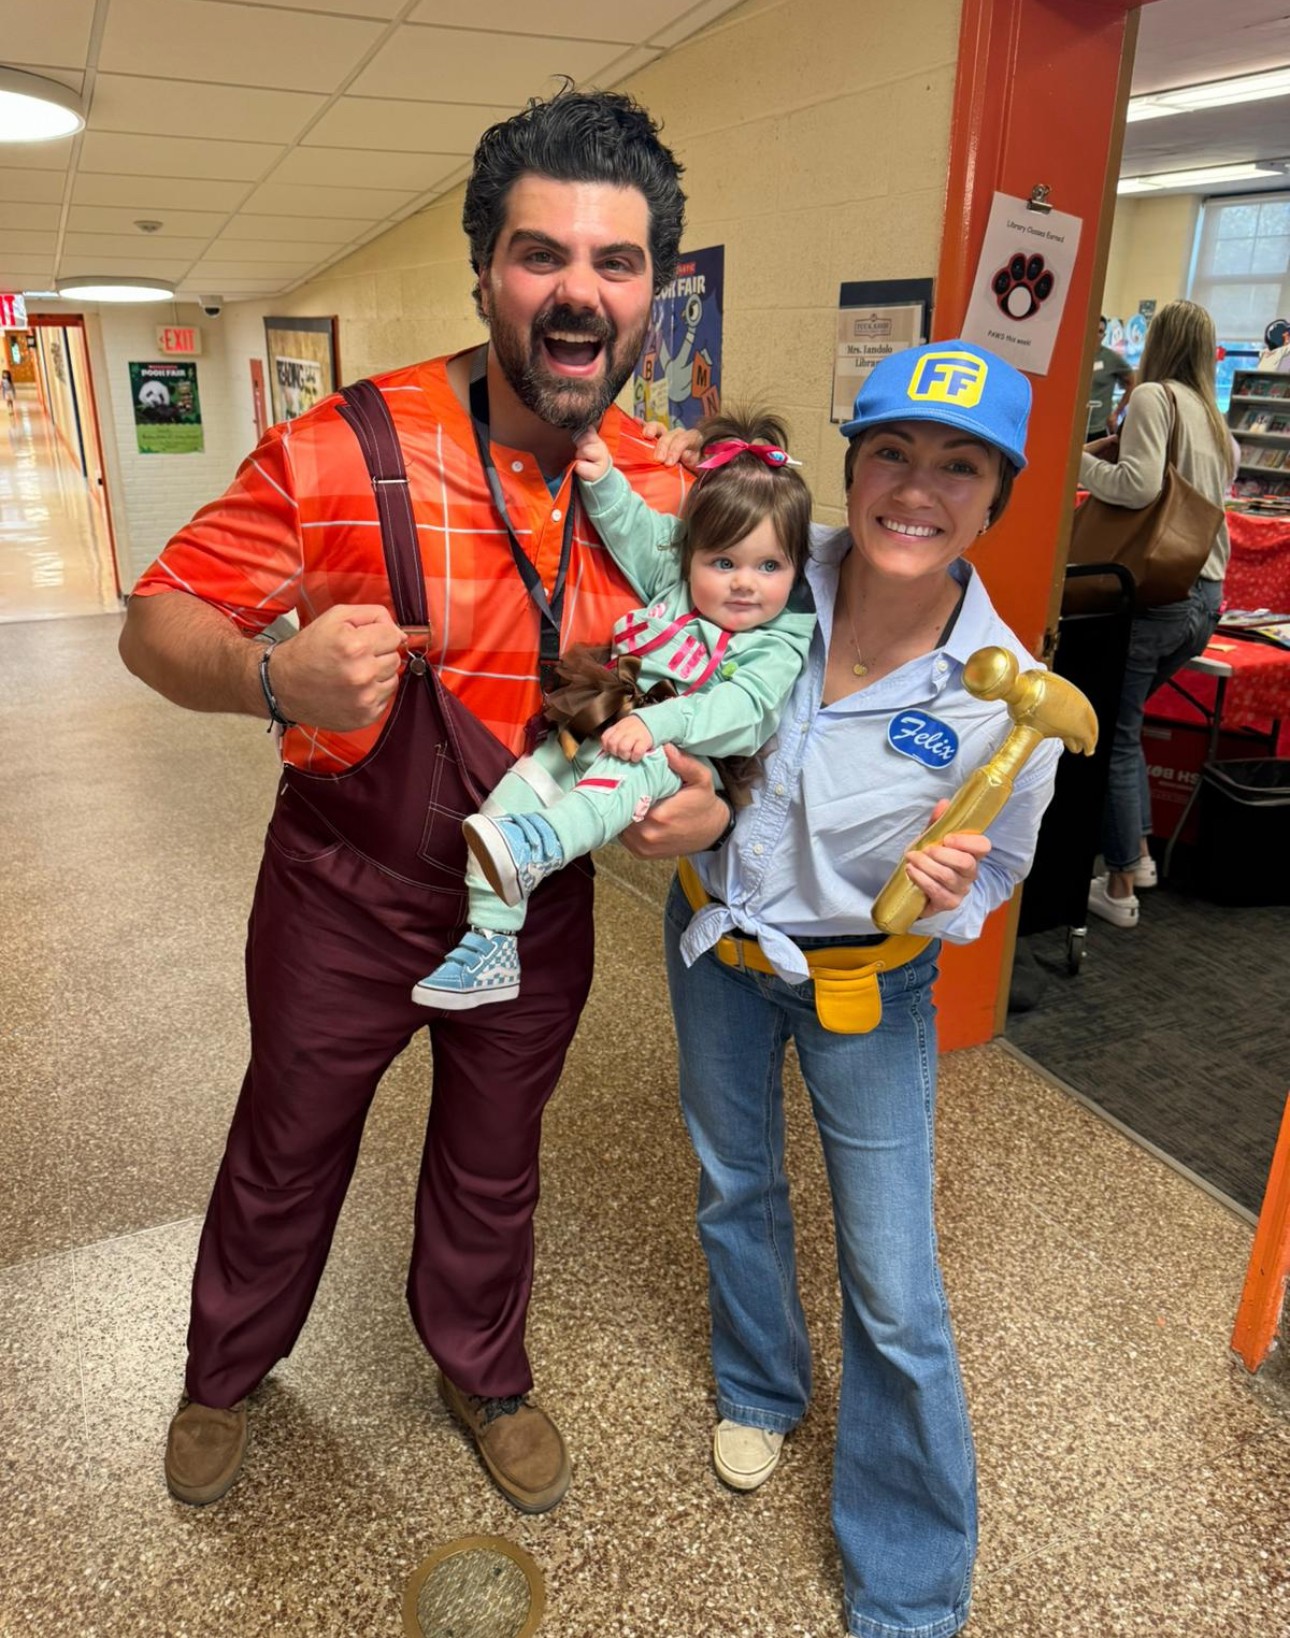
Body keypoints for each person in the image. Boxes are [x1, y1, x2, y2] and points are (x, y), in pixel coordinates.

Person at [117, 87, 699, 1514]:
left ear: (654, 291)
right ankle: (226, 1369)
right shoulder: (339, 449)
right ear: (483, 268)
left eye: (613, 263)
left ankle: (480, 1365)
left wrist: (700, 790)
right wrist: (271, 678)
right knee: (287, 1140)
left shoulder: (675, 494)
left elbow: (711, 689)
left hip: (536, 894)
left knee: (498, 1160)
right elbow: (154, 618)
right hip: (342, 893)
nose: (576, 293)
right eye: (539, 254)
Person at [640, 340, 1059, 1638]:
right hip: (717, 941)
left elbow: (1003, 867)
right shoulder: (763, 575)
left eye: (956, 466)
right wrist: (667, 800)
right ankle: (759, 1386)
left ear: (990, 496)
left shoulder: (1005, 694)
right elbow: (665, 698)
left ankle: (911, 1576)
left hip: (866, 985)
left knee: (890, 1277)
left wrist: (954, 886)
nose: (915, 488)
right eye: (891, 453)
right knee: (732, 1181)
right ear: (851, 465)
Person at [413, 409, 815, 1009]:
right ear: (692, 555)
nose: (744, 585)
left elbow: (745, 709)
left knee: (611, 787)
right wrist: (602, 480)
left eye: (770, 566)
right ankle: (491, 941)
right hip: (601, 716)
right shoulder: (674, 583)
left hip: (668, 752)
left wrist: (655, 724)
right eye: (723, 562)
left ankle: (542, 845)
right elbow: (635, 529)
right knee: (513, 796)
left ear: (796, 566)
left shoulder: (777, 641)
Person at [1080, 299, 1235, 927]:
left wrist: (1077, 463)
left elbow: (1139, 488)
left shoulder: (1153, 398)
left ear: (1157, 342)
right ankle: (1139, 853)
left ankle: (1119, 885)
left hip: (1158, 593)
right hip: (1206, 598)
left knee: (1114, 733)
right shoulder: (1211, 415)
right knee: (1128, 724)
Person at [1086, 314, 1135, 437]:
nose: (1096, 335)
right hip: (1073, 424)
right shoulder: (1075, 355)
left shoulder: (1111, 358)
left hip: (1098, 428)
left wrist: (1116, 412)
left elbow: (1132, 382)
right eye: (1093, 329)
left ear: (1104, 336)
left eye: (1100, 332)